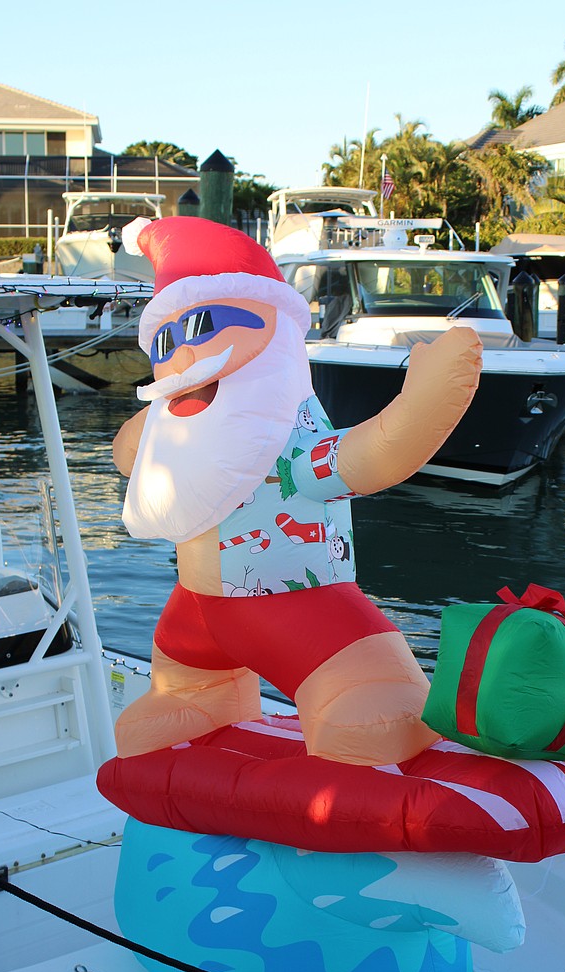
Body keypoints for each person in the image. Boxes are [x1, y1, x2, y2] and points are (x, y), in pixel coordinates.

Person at [111, 216, 482, 767]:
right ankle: (195, 697)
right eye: (166, 339)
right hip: (194, 614)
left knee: (367, 713)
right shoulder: (180, 430)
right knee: (169, 708)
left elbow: (369, 456)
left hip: (303, 609)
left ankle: (370, 693)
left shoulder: (287, 437)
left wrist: (432, 392)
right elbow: (131, 456)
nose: (181, 356)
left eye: (203, 327)